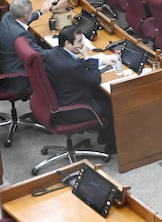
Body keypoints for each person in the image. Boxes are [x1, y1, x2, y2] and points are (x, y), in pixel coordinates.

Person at [45, 25, 118, 153]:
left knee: (100, 94)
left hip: (61, 100)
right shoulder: (70, 66)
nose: (82, 44)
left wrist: (101, 61)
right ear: (68, 43)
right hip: (74, 109)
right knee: (115, 106)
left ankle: (103, 137)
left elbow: (77, 64)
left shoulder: (55, 52)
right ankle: (111, 147)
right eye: (79, 42)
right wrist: (87, 55)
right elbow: (96, 79)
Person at [0, 0, 56, 95]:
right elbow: (41, 54)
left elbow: (21, 21)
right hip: (17, 75)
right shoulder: (20, 35)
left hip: (6, 62)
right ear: (26, 15)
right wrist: (63, 50)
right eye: (31, 12)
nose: (31, 13)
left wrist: (40, 12)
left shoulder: (7, 17)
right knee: (58, 67)